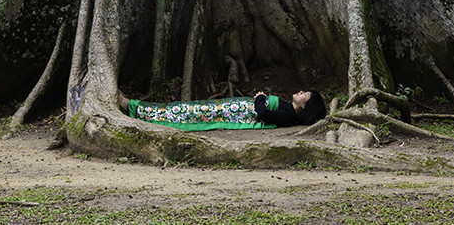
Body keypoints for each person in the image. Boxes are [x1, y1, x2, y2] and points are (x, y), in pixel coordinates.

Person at [118, 90, 326, 131]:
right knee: (186, 108)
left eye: (305, 94)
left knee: (186, 113)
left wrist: (261, 98)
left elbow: (262, 114)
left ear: (305, 106)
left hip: (230, 113)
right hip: (231, 107)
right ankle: (136, 107)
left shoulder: (288, 116)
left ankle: (134, 107)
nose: (300, 92)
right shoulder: (288, 108)